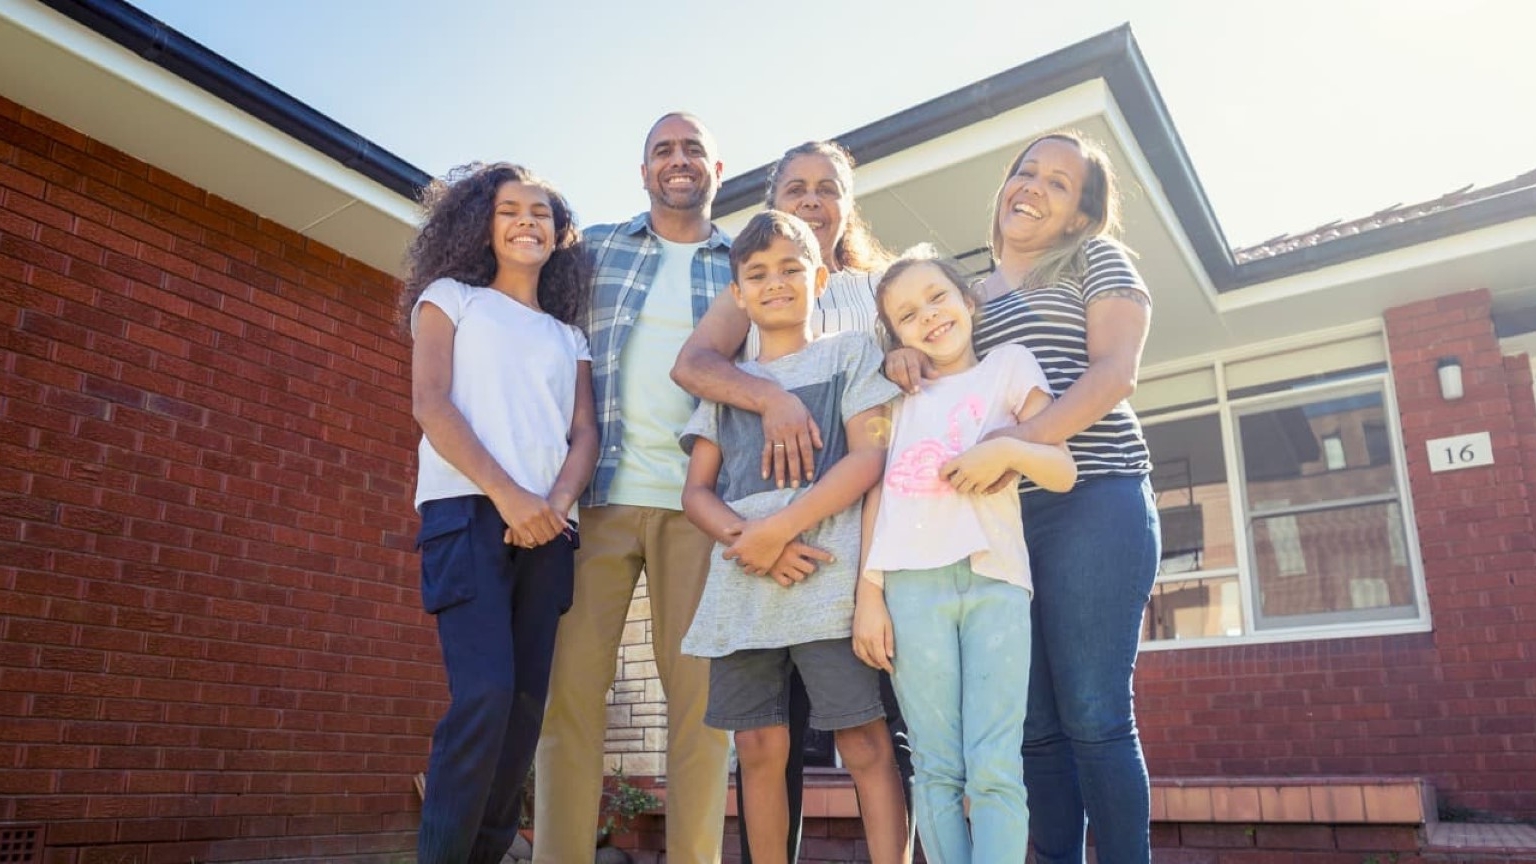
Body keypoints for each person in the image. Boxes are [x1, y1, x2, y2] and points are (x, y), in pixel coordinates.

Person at [886, 131, 1158, 864]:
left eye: (1060, 184)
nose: (1033, 187)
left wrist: (1016, 447)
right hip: (1001, 525)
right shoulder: (965, 291)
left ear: (1079, 216)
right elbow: (951, 364)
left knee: (1095, 715)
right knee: (1031, 728)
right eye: (1025, 171)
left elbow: (1114, 375)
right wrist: (905, 354)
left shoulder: (1097, 260)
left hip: (1093, 498)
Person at [670, 140, 911, 864]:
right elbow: (696, 492)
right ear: (737, 294)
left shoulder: (849, 355)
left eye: (791, 270)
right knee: (758, 745)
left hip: (829, 583)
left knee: (864, 737)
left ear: (820, 278)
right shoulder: (728, 380)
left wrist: (780, 529)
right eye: (758, 274)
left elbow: (870, 456)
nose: (775, 284)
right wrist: (751, 540)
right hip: (745, 588)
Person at [533, 112, 732, 864]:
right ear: (643, 170)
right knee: (572, 700)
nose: (677, 161)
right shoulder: (596, 253)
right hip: (601, 499)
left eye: (692, 150)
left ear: (718, 167)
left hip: (699, 507)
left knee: (702, 710)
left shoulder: (744, 260)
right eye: (663, 151)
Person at [402, 162, 597, 864]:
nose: (526, 220)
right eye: (509, 208)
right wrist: (511, 497)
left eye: (541, 212)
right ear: (482, 224)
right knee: (482, 695)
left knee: (521, 714)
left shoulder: (567, 336)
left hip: (549, 529)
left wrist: (553, 506)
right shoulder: (449, 299)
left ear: (558, 234)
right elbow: (432, 405)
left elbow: (585, 435)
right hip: (466, 514)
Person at [854, 246, 1076, 863]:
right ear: (894, 335)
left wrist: (1004, 450)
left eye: (937, 297)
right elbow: (877, 491)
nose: (927, 316)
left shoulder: (1009, 365)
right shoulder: (893, 395)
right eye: (906, 315)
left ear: (969, 300)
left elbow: (1060, 467)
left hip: (995, 580)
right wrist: (867, 595)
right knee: (936, 766)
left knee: (995, 763)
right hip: (909, 587)